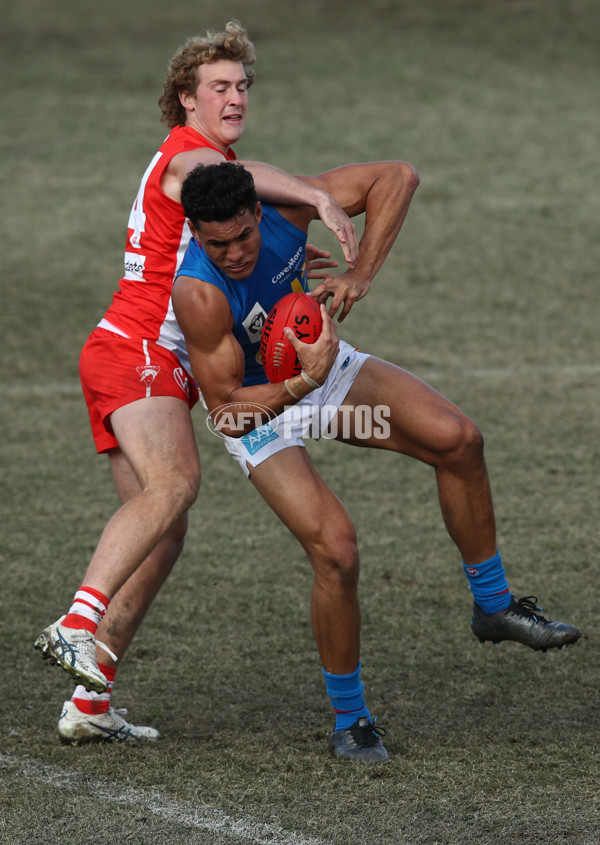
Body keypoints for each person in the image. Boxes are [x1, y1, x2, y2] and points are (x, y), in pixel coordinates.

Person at [171, 160, 582, 764]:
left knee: (458, 440)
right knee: (336, 551)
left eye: (244, 237)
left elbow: (398, 177)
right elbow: (228, 413)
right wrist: (296, 386)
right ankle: (351, 720)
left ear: (259, 213)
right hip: (261, 411)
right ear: (197, 236)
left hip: (321, 373)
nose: (235, 253)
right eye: (217, 244)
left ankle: (494, 606)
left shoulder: (287, 214)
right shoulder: (199, 292)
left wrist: (360, 272)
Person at [33, 20, 359, 745]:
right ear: (186, 98)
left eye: (243, 84)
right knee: (176, 484)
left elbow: (234, 214)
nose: (235, 96)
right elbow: (239, 187)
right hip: (141, 348)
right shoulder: (188, 156)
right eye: (219, 86)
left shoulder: (211, 173)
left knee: (164, 531)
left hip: (130, 354)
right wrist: (318, 196)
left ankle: (89, 702)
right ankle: (77, 620)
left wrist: (278, 240)